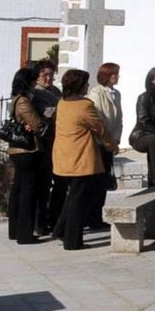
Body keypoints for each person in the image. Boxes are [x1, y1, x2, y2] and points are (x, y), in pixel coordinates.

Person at [52, 69, 115, 251]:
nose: (88, 86)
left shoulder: (62, 103)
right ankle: (73, 240)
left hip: (64, 156)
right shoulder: (84, 106)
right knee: (79, 200)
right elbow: (99, 128)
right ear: (79, 85)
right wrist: (111, 145)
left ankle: (61, 229)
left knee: (72, 196)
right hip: (81, 158)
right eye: (86, 83)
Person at [5, 67, 47, 245]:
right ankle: (24, 233)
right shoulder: (23, 101)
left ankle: (15, 230)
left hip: (18, 152)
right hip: (27, 151)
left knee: (19, 190)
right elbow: (37, 125)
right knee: (27, 192)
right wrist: (43, 121)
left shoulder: (17, 99)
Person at [85, 62, 123, 231]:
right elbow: (98, 117)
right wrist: (106, 139)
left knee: (103, 181)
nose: (117, 77)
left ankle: (97, 215)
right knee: (97, 182)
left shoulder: (117, 94)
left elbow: (118, 118)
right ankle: (92, 216)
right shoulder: (96, 92)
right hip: (99, 142)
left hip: (110, 141)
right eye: (115, 74)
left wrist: (116, 139)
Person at [30, 60, 63, 237]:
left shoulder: (55, 91)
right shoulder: (35, 94)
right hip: (42, 144)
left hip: (57, 142)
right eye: (45, 75)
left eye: (51, 74)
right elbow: (39, 117)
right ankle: (38, 223)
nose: (49, 78)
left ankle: (52, 219)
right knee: (41, 186)